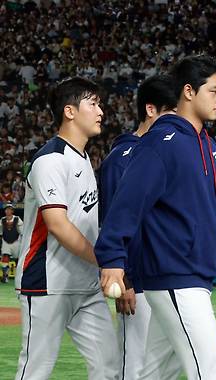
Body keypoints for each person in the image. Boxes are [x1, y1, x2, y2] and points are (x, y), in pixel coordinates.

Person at [94, 55, 216, 380]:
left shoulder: (212, 149)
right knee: (209, 371)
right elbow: (126, 204)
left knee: (155, 373)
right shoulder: (161, 143)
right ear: (189, 91)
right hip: (174, 274)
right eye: (214, 90)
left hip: (193, 275)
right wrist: (112, 258)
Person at [14, 77, 120, 380]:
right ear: (69, 111)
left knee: (109, 366)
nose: (101, 111)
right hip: (46, 282)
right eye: (93, 103)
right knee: (35, 370)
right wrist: (106, 261)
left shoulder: (84, 158)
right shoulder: (50, 160)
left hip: (85, 285)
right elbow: (58, 226)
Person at [98, 74, 180, 380]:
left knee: (161, 363)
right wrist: (125, 279)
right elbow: (112, 221)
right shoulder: (121, 157)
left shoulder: (164, 153)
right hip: (137, 283)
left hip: (165, 277)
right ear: (151, 110)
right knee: (131, 363)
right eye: (172, 111)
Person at [1, 203, 23, 283]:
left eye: (10, 209)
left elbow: (22, 231)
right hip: (5, 241)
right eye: (6, 209)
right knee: (5, 257)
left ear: (12, 211)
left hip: (16, 241)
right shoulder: (2, 220)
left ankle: (19, 276)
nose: (8, 211)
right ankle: (5, 276)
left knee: (18, 258)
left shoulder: (17, 219)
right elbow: (0, 231)